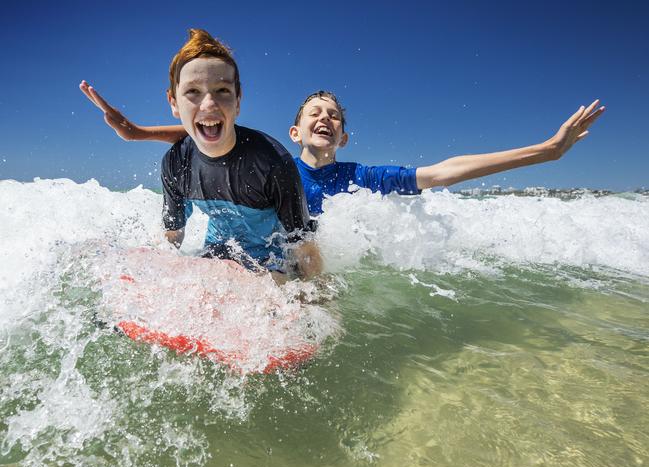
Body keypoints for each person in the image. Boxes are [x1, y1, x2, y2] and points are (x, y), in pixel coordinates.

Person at [81, 77, 604, 217]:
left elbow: (444, 171)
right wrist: (136, 133)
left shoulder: (361, 178)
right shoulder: (269, 159)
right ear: (295, 132)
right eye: (315, 113)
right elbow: (210, 129)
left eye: (335, 116)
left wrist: (545, 151)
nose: (326, 119)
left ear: (344, 137)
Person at [81, 29, 322, 280]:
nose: (208, 104)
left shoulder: (271, 162)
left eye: (222, 91)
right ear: (173, 102)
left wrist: (316, 304)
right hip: (215, 256)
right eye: (193, 92)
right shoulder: (176, 163)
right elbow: (172, 237)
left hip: (272, 263)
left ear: (238, 101)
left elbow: (304, 248)